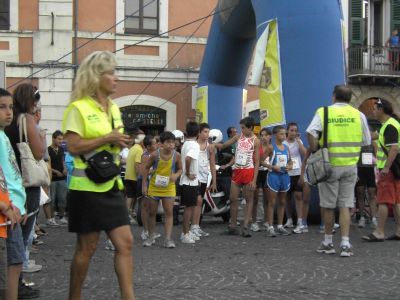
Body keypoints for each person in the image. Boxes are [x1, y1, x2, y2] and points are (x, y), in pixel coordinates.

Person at [62, 51, 135, 300]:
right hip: (87, 188)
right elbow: (72, 147)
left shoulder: (114, 108)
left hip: (112, 184)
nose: (116, 78)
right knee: (87, 248)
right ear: (96, 76)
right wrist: (108, 138)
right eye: (111, 73)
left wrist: (122, 141)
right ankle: (75, 296)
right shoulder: (78, 108)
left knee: (125, 243)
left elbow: (113, 141)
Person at [307, 84, 371, 257]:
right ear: (350, 98)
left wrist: (315, 151)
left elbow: (310, 132)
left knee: (328, 207)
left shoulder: (323, 112)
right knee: (345, 205)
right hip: (350, 166)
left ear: (333, 96)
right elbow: (366, 141)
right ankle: (345, 243)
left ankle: (328, 243)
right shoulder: (359, 115)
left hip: (329, 165)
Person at [5, 84, 44, 297]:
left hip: (10, 182)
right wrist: (41, 135)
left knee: (12, 237)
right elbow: (39, 153)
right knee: (22, 237)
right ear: (31, 100)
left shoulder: (9, 123)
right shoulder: (27, 120)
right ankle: (17, 284)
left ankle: (13, 282)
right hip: (26, 184)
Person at [362, 98, 400, 242]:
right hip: (394, 170)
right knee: (396, 201)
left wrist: (386, 168)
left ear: (381, 110)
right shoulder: (388, 125)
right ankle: (399, 231)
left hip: (388, 170)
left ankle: (379, 232)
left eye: (375, 108)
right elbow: (375, 136)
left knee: (383, 201)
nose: (373, 110)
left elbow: (394, 148)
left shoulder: (389, 126)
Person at [0, 88, 25, 300]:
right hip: (7, 212)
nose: (8, 112)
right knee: (11, 264)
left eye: (11, 107)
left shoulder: (3, 135)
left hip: (14, 208)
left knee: (15, 262)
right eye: (2, 107)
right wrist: (7, 206)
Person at [217, 117, 260, 237]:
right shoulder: (238, 137)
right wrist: (214, 145)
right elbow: (225, 144)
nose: (241, 130)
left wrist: (254, 180)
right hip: (237, 171)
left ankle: (245, 226)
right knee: (233, 198)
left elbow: (257, 161)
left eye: (243, 128)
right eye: (241, 128)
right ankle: (233, 226)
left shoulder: (256, 140)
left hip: (248, 172)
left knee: (249, 199)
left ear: (250, 128)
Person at [142, 131, 182, 248]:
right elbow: (146, 168)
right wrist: (144, 184)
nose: (171, 145)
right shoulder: (155, 155)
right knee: (152, 213)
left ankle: (168, 239)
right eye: (168, 142)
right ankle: (150, 237)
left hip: (169, 187)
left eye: (173, 142)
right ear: (161, 144)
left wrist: (176, 175)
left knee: (169, 213)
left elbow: (180, 169)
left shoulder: (177, 155)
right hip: (154, 187)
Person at [264, 125, 293, 237]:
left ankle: (280, 226)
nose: (284, 135)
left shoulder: (286, 148)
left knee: (282, 202)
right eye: (281, 133)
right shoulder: (271, 147)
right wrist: (272, 167)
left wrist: (290, 167)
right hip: (273, 177)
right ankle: (270, 227)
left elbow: (290, 161)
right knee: (272, 202)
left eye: (285, 133)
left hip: (284, 176)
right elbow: (261, 161)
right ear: (275, 135)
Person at [190, 123, 217, 238]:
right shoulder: (193, 145)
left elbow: (212, 164)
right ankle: (192, 227)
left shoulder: (210, 146)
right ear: (199, 132)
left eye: (208, 132)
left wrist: (214, 181)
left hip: (204, 177)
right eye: (205, 132)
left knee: (199, 202)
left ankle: (195, 226)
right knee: (197, 201)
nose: (207, 134)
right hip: (193, 177)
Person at [283, 123, 307, 233]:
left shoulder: (299, 142)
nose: (294, 132)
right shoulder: (283, 143)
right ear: (287, 131)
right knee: (286, 196)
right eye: (292, 130)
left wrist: (298, 142)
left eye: (295, 130)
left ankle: (300, 221)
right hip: (287, 172)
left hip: (297, 172)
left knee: (298, 195)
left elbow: (305, 154)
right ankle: (289, 219)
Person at [179, 122, 201, 244]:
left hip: (188, 181)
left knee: (190, 207)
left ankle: (187, 232)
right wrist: (188, 173)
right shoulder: (194, 145)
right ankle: (185, 233)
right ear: (198, 133)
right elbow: (188, 158)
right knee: (189, 209)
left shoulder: (186, 144)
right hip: (189, 181)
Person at [138, 135, 159, 242]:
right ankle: (145, 231)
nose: (157, 145)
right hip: (145, 182)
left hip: (152, 182)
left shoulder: (155, 154)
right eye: (154, 143)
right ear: (148, 146)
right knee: (145, 207)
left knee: (151, 208)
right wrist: (156, 171)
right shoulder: (145, 156)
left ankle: (150, 231)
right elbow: (143, 172)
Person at [251, 128, 272, 232]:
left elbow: (273, 160)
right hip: (256, 172)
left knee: (267, 199)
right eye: (261, 135)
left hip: (267, 173)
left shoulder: (271, 147)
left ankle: (267, 221)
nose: (263, 137)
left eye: (265, 135)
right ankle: (254, 222)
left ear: (270, 136)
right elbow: (258, 161)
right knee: (254, 199)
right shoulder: (257, 146)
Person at [47, 130, 68, 226]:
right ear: (53, 139)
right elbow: (47, 165)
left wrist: (64, 168)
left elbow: (63, 161)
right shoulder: (48, 150)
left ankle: (62, 217)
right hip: (52, 179)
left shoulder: (62, 149)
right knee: (52, 199)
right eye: (59, 139)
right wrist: (56, 172)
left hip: (62, 178)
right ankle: (51, 219)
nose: (61, 141)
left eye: (62, 139)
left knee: (62, 199)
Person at [124, 130, 145, 224]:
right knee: (131, 196)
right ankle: (127, 215)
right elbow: (137, 164)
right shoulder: (139, 149)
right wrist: (140, 175)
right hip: (134, 176)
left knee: (131, 196)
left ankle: (130, 212)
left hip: (128, 175)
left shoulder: (133, 148)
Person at [355, 143, 378, 229]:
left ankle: (374, 218)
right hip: (359, 167)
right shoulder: (356, 136)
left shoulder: (371, 138)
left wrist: (376, 165)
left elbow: (376, 153)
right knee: (360, 193)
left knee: (372, 193)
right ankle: (361, 217)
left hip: (370, 168)